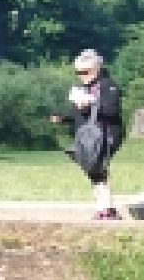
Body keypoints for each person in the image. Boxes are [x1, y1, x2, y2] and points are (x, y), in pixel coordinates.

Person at [50, 49, 126, 220]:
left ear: (96, 69)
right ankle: (104, 208)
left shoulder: (108, 86)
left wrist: (89, 105)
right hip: (88, 136)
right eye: (78, 72)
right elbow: (79, 115)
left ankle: (107, 209)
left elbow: (112, 111)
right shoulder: (83, 88)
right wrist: (63, 118)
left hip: (106, 134)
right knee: (93, 171)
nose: (81, 76)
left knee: (97, 169)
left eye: (85, 72)